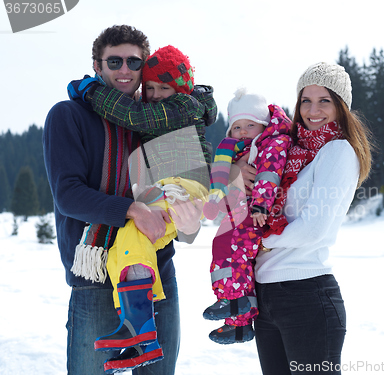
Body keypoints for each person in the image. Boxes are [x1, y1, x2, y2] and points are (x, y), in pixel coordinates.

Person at [44, 25, 206, 375]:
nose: (124, 69)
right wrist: (132, 210)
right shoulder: (68, 116)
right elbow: (68, 195)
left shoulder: (154, 120)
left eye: (134, 61)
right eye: (114, 60)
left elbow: (184, 181)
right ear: (97, 65)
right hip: (96, 274)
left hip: (157, 268)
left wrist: (192, 213)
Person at [252, 62, 373, 374]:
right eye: (306, 100)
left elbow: (313, 229)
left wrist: (260, 241)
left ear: (341, 106)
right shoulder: (293, 154)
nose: (313, 110)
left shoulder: (338, 151)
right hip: (266, 294)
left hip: (305, 296)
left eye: (324, 101)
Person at [202, 88, 292, 344]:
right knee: (223, 250)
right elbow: (222, 180)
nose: (242, 132)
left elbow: (269, 176)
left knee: (236, 253)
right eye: (237, 127)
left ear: (262, 125)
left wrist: (261, 206)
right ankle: (238, 322)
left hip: (257, 213)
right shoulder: (234, 153)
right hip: (239, 212)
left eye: (249, 125)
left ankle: (236, 301)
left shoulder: (271, 144)